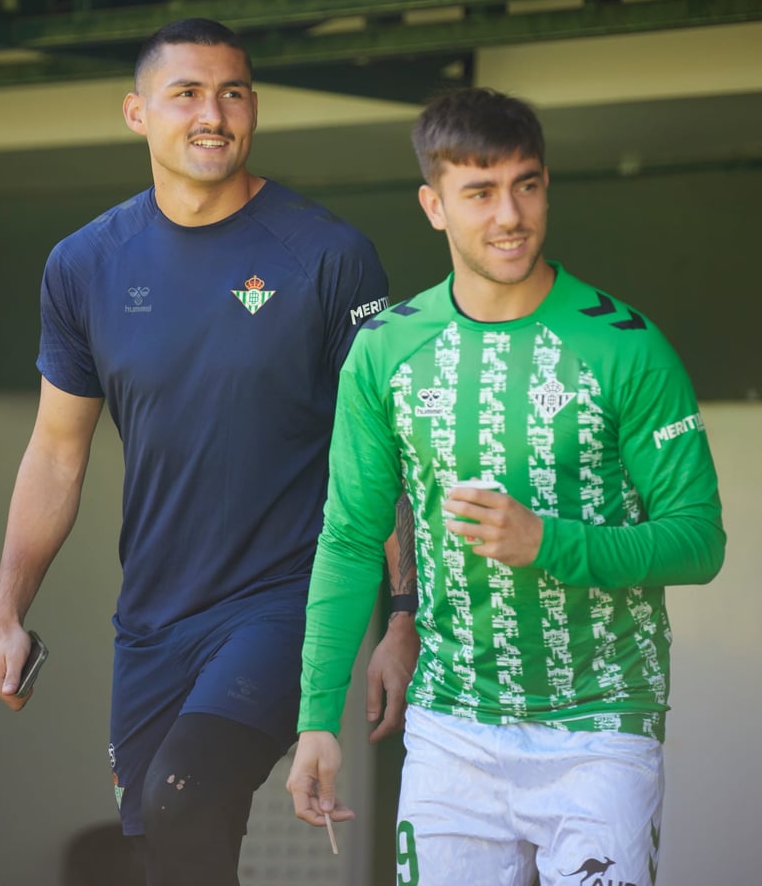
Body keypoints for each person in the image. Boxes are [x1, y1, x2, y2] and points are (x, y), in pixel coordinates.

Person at [0, 17, 418, 886]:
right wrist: (6, 611)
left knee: (184, 796)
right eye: (186, 94)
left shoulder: (328, 255)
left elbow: (383, 452)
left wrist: (403, 614)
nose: (213, 114)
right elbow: (57, 453)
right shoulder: (84, 264)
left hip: (286, 599)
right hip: (152, 617)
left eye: (233, 93)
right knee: (167, 850)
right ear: (137, 113)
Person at [287, 87, 725, 885]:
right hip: (450, 727)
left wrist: (547, 542)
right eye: (480, 192)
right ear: (434, 206)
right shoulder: (384, 350)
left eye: (526, 185)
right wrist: (318, 718)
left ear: (547, 186)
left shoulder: (627, 345)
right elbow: (349, 538)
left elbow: (698, 541)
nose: (510, 215)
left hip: (602, 726)